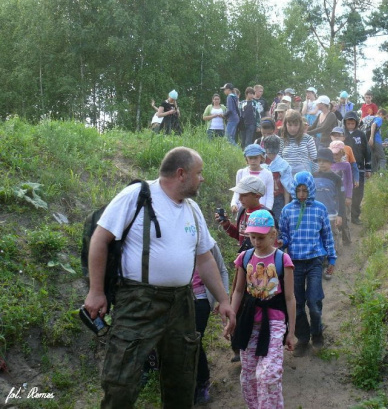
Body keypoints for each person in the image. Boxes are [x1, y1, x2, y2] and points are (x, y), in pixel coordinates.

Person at [83, 147, 235, 408]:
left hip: (181, 303)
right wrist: (96, 291)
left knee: (182, 376)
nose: (202, 179)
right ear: (181, 174)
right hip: (139, 301)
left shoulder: (193, 209)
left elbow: (205, 258)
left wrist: (224, 299)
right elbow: (100, 239)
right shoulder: (137, 195)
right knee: (121, 378)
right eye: (199, 173)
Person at [230, 210, 296, 409]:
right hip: (249, 321)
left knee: (267, 375)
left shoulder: (282, 260)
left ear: (273, 235)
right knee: (248, 376)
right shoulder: (245, 257)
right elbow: (239, 290)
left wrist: (291, 333)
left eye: (261, 237)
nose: (256, 242)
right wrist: (233, 317)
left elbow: (290, 298)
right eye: (253, 237)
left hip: (274, 321)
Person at [278, 172, 336, 357]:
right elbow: (284, 236)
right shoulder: (287, 210)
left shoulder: (320, 209)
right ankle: (303, 338)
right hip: (294, 263)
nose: (302, 194)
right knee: (298, 302)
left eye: (305, 190)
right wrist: (281, 243)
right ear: (294, 190)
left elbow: (327, 235)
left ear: (311, 189)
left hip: (314, 261)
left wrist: (332, 258)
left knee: (314, 300)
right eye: (298, 190)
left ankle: (317, 332)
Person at [191, 243, 229, 405]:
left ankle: (202, 383)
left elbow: (222, 270)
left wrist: (223, 299)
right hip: (176, 300)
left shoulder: (209, 243)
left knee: (194, 340)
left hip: (200, 299)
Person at [313, 148, 345, 261]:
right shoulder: (313, 176)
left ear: (331, 162)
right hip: (315, 214)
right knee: (317, 236)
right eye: (319, 161)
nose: (321, 163)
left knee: (330, 237)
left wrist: (340, 215)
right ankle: (320, 259)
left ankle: (330, 260)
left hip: (330, 213)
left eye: (325, 161)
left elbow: (341, 198)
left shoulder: (336, 178)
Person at [342, 111, 371, 225]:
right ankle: (344, 218)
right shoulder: (341, 135)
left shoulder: (361, 134)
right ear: (345, 123)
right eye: (348, 123)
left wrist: (368, 168)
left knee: (358, 193)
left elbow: (367, 151)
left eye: (352, 123)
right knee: (344, 193)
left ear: (356, 123)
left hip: (359, 169)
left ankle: (355, 216)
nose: (350, 126)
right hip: (344, 169)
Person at [231, 144, 274, 214]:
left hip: (260, 212)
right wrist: (234, 204)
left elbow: (269, 195)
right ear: (246, 158)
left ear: (261, 158)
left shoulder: (267, 174)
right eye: (250, 158)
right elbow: (237, 192)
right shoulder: (241, 173)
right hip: (243, 211)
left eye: (256, 158)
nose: (253, 161)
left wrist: (267, 211)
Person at [328, 140, 353, 246]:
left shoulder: (346, 165)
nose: (335, 156)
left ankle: (346, 239)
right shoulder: (328, 165)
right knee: (333, 219)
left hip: (343, 196)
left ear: (342, 153)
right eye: (332, 153)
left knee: (344, 218)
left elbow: (349, 181)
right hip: (332, 196)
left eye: (337, 153)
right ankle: (335, 242)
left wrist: (348, 196)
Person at [264, 135, 293, 222]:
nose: (272, 155)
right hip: (263, 197)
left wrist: (286, 206)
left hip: (278, 199)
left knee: (277, 221)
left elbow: (286, 186)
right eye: (269, 153)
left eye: (274, 153)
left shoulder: (283, 165)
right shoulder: (260, 162)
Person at [280, 110, 318, 175]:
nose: (292, 128)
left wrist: (316, 174)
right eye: (290, 125)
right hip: (286, 177)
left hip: (304, 176)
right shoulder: (282, 140)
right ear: (285, 125)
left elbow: (314, 158)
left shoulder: (308, 139)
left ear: (300, 125)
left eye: (296, 125)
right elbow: (279, 159)